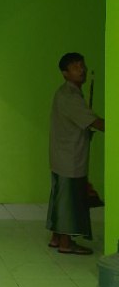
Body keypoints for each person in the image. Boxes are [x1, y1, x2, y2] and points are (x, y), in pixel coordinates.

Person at [46, 52, 105, 255]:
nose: (82, 70)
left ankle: (56, 238)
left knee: (60, 197)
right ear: (65, 73)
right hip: (69, 158)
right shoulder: (70, 97)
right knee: (69, 201)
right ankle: (66, 243)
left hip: (62, 155)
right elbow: (95, 122)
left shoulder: (67, 92)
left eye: (82, 65)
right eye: (76, 67)